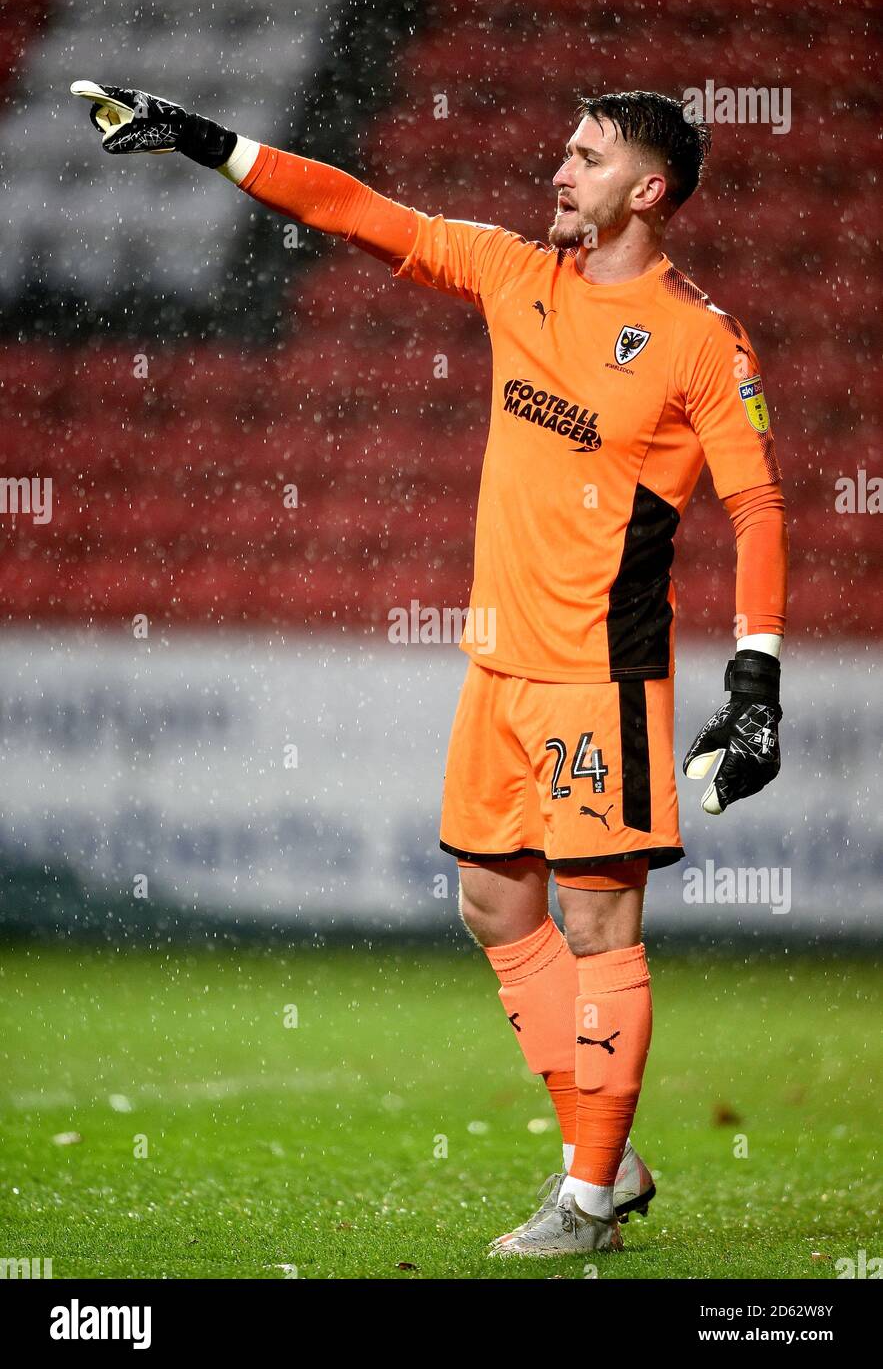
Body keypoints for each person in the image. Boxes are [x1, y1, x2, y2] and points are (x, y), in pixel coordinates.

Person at [73, 83, 788, 1256]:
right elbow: (363, 211)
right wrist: (214, 143)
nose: (559, 171)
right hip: (496, 667)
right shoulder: (516, 273)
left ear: (648, 191)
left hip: (595, 677)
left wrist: (752, 684)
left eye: (588, 158)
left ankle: (590, 1198)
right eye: (563, 149)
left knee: (600, 927)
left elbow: (757, 508)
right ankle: (603, 1148)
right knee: (494, 902)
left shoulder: (701, 339)